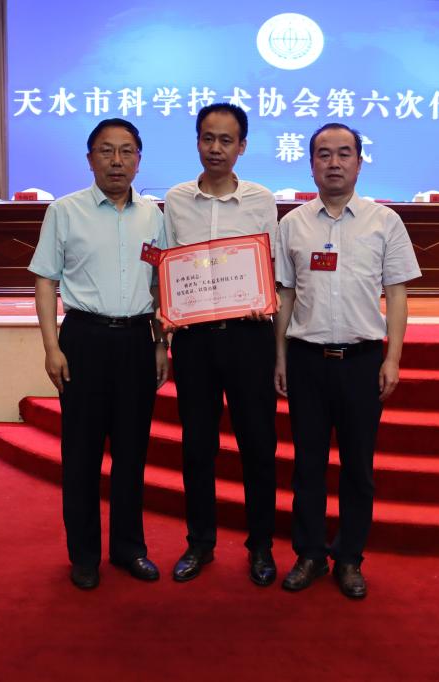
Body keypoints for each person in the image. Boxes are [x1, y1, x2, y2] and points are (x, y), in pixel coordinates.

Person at [273, 123, 420, 599]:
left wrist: (392, 358)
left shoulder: (385, 221)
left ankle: (351, 557)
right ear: (310, 163)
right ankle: (310, 554)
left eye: (343, 154)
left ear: (359, 161)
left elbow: (397, 294)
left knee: (358, 467)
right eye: (323, 154)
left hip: (361, 362)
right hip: (306, 360)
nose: (333, 163)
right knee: (307, 466)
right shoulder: (292, 224)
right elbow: (285, 295)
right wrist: (280, 356)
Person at [29, 118, 169, 590]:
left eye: (127, 151)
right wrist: (51, 347)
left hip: (136, 341)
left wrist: (160, 343)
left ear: (139, 160)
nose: (116, 161)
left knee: (132, 452)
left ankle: (129, 548)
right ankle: (84, 555)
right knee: (82, 454)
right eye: (106, 151)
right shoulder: (65, 211)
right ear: (90, 159)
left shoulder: (154, 217)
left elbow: (160, 283)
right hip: (84, 339)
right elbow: (45, 280)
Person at [163, 103, 279, 586]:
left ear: (242, 147)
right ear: (197, 142)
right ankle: (200, 543)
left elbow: (271, 267)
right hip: (194, 341)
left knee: (258, 445)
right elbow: (167, 266)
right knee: (197, 446)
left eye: (226, 140)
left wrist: (262, 299)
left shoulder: (260, 200)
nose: (216, 148)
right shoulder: (175, 199)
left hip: (249, 338)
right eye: (208, 138)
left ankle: (261, 547)